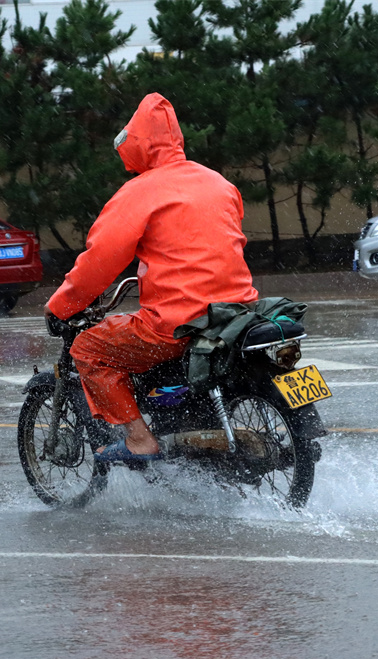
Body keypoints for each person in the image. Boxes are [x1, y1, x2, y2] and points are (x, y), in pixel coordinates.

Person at [43, 92, 259, 463]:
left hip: (177, 322)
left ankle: (140, 440)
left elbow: (100, 261)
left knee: (89, 349)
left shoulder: (140, 192)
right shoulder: (218, 182)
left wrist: (63, 305)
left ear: (137, 143)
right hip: (236, 311)